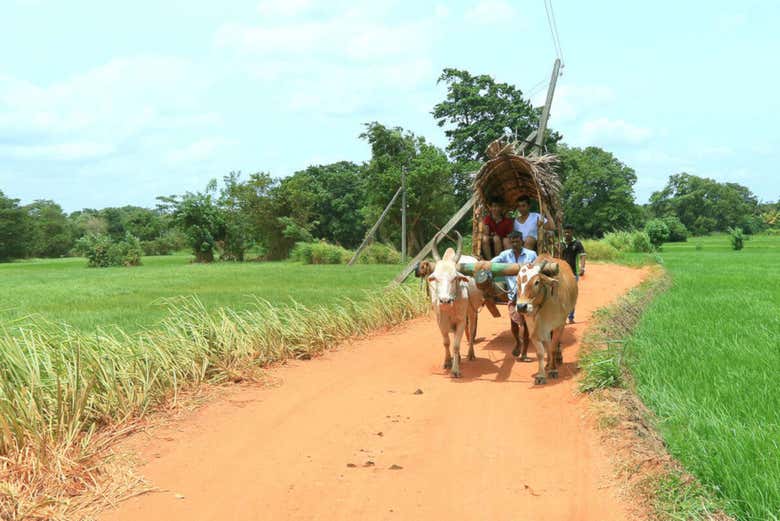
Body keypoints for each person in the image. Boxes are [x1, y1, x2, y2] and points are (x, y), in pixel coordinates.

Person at [492, 230, 537, 361]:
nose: (515, 243)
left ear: (522, 241)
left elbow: (538, 270)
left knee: (527, 325)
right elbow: (492, 263)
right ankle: (517, 342)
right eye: (512, 241)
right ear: (509, 243)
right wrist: (483, 266)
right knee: (514, 324)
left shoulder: (531, 255)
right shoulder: (505, 255)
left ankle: (524, 353)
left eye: (517, 241)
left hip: (527, 295)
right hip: (513, 295)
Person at [561, 223, 586, 324]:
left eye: (569, 232)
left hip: (573, 273)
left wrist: (582, 268)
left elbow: (583, 255)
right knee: (562, 296)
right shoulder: (560, 243)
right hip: (561, 273)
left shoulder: (577, 243)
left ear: (572, 232)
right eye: (565, 231)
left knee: (571, 295)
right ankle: (562, 318)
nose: (567, 233)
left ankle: (571, 318)